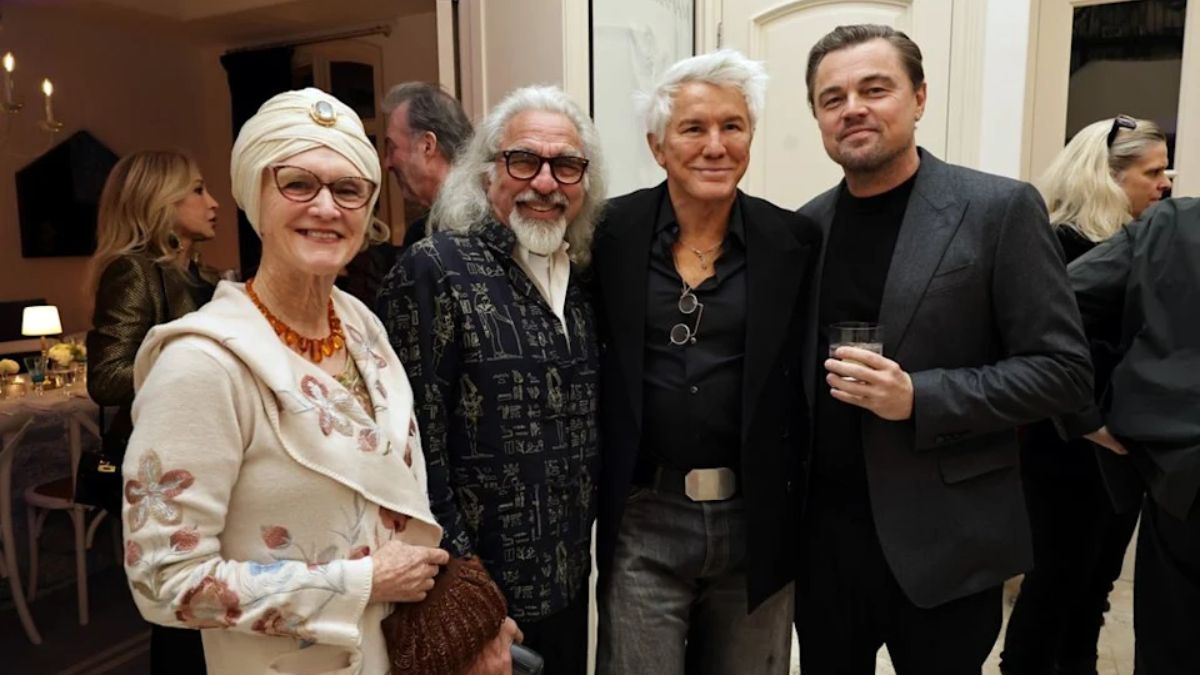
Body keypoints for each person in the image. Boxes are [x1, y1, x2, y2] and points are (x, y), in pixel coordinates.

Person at [120, 88, 517, 675]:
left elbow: (397, 506)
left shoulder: (365, 327)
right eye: (298, 183)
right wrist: (358, 582)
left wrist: (467, 621)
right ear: (256, 195)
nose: (327, 207)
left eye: (349, 189)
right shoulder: (202, 364)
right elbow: (162, 579)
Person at [795, 24, 1093, 674]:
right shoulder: (805, 227)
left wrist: (919, 397)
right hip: (825, 551)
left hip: (948, 547)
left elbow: (1064, 372)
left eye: (876, 88)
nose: (854, 108)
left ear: (920, 97)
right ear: (817, 116)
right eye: (833, 96)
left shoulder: (997, 209)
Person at [591, 50, 820, 675]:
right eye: (694, 129)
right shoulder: (609, 234)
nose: (715, 146)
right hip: (647, 517)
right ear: (658, 146)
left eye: (733, 126)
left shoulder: (793, 241)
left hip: (758, 517)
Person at [377, 84, 604, 675]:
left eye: (567, 166)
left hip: (567, 585)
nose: (546, 183)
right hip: (477, 596)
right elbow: (409, 452)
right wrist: (468, 604)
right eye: (523, 160)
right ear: (485, 174)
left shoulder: (579, 284)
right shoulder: (435, 269)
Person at [1001, 115, 1172, 675]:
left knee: (1094, 587)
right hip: (1064, 450)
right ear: (1107, 177)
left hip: (1117, 449)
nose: (1166, 184)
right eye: (1153, 172)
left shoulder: (1140, 247)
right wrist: (1089, 421)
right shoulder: (1056, 245)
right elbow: (1034, 344)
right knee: (1054, 585)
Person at [86, 148, 221, 675]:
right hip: (164, 466)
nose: (212, 203)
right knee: (181, 612)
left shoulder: (200, 274)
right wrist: (190, 370)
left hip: (202, 454)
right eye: (197, 190)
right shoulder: (134, 271)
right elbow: (106, 377)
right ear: (158, 201)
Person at [1063, 196, 1200, 675]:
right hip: (1181, 477)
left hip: (1182, 475)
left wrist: (1084, 413)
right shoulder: (1169, 226)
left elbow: (1056, 302)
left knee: (1174, 645)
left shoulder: (1171, 225)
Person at [338, 82, 472, 304]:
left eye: (392, 148)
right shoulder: (421, 232)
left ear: (427, 145)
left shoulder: (488, 221)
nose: (386, 162)